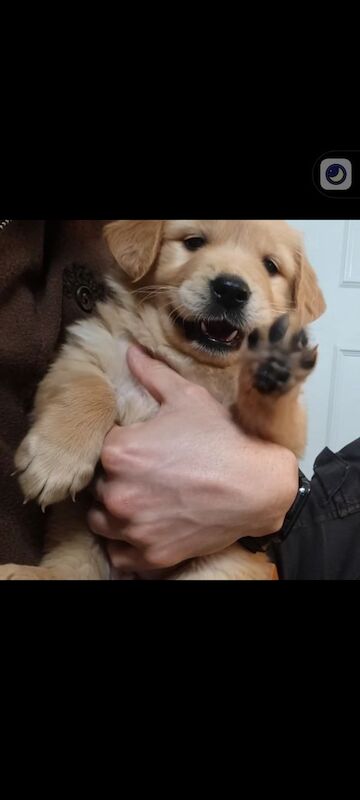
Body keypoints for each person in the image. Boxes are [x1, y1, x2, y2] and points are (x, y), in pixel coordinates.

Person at [1, 220, 360, 579]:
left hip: (209, 559)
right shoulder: (113, 336)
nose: (233, 282)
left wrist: (270, 407)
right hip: (96, 537)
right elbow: (69, 375)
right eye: (194, 241)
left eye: (271, 265)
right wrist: (77, 420)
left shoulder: (254, 376)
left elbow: (284, 447)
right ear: (147, 251)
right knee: (76, 537)